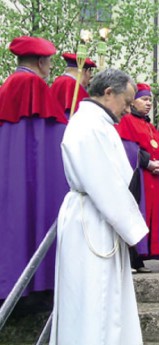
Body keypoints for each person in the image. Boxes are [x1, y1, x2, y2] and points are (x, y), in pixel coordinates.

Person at [43, 69, 148, 345]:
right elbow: (103, 182)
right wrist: (134, 228)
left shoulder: (100, 124)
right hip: (93, 216)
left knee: (109, 302)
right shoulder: (87, 125)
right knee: (89, 301)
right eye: (126, 102)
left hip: (103, 219)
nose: (128, 109)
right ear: (107, 93)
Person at [0, 36, 68, 306]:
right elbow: (48, 138)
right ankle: (34, 288)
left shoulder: (7, 86)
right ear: (41, 62)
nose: (50, 67)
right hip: (31, 177)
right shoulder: (33, 85)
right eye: (49, 62)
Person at [116, 83, 159, 273]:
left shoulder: (150, 126)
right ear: (133, 102)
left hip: (154, 179)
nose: (149, 104)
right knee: (136, 213)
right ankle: (132, 258)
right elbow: (128, 149)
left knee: (150, 218)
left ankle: (141, 256)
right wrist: (148, 163)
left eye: (150, 100)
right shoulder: (126, 121)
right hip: (139, 176)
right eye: (144, 99)